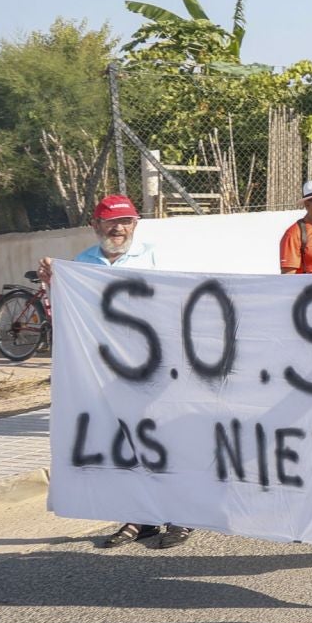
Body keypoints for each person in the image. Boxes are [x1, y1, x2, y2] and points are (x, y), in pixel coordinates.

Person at [38, 196, 189, 550]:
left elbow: (177, 307)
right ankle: (140, 517)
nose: (118, 228)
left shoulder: (155, 258)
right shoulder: (83, 264)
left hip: (152, 366)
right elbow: (64, 313)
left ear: (135, 224)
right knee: (124, 442)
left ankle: (181, 515)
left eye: (126, 221)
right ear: (96, 225)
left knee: (165, 440)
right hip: (107, 370)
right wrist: (51, 281)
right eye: (111, 222)